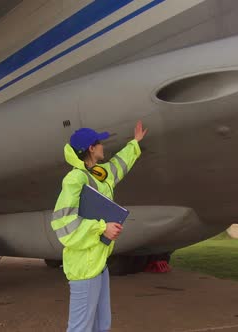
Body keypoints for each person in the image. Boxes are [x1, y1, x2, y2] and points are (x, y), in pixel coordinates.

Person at [51, 121, 147, 332]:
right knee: (80, 328)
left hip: (98, 262)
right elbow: (61, 223)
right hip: (84, 265)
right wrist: (101, 228)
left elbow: (119, 165)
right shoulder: (75, 179)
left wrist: (135, 143)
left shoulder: (99, 173)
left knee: (101, 324)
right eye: (99, 142)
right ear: (91, 149)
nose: (104, 145)